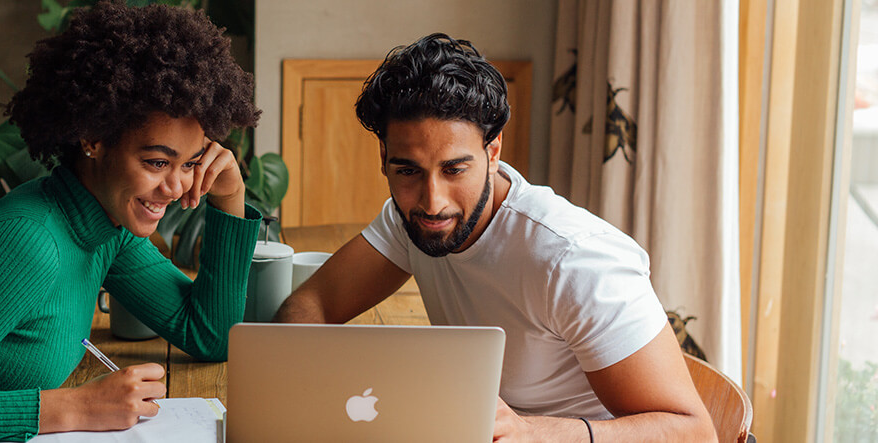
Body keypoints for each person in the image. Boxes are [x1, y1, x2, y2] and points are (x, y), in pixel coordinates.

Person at [0, 3, 262, 442]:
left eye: (190, 163)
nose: (175, 188)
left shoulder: (103, 227)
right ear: (93, 139)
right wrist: (74, 407)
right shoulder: (25, 246)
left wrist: (230, 194)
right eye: (157, 162)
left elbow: (210, 334)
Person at [273, 33, 717, 442]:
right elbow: (311, 304)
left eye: (454, 169)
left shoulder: (573, 258)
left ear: (494, 151)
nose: (432, 201)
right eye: (407, 170)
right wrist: (330, 394)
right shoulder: (409, 219)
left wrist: (536, 433)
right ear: (384, 157)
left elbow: (695, 431)